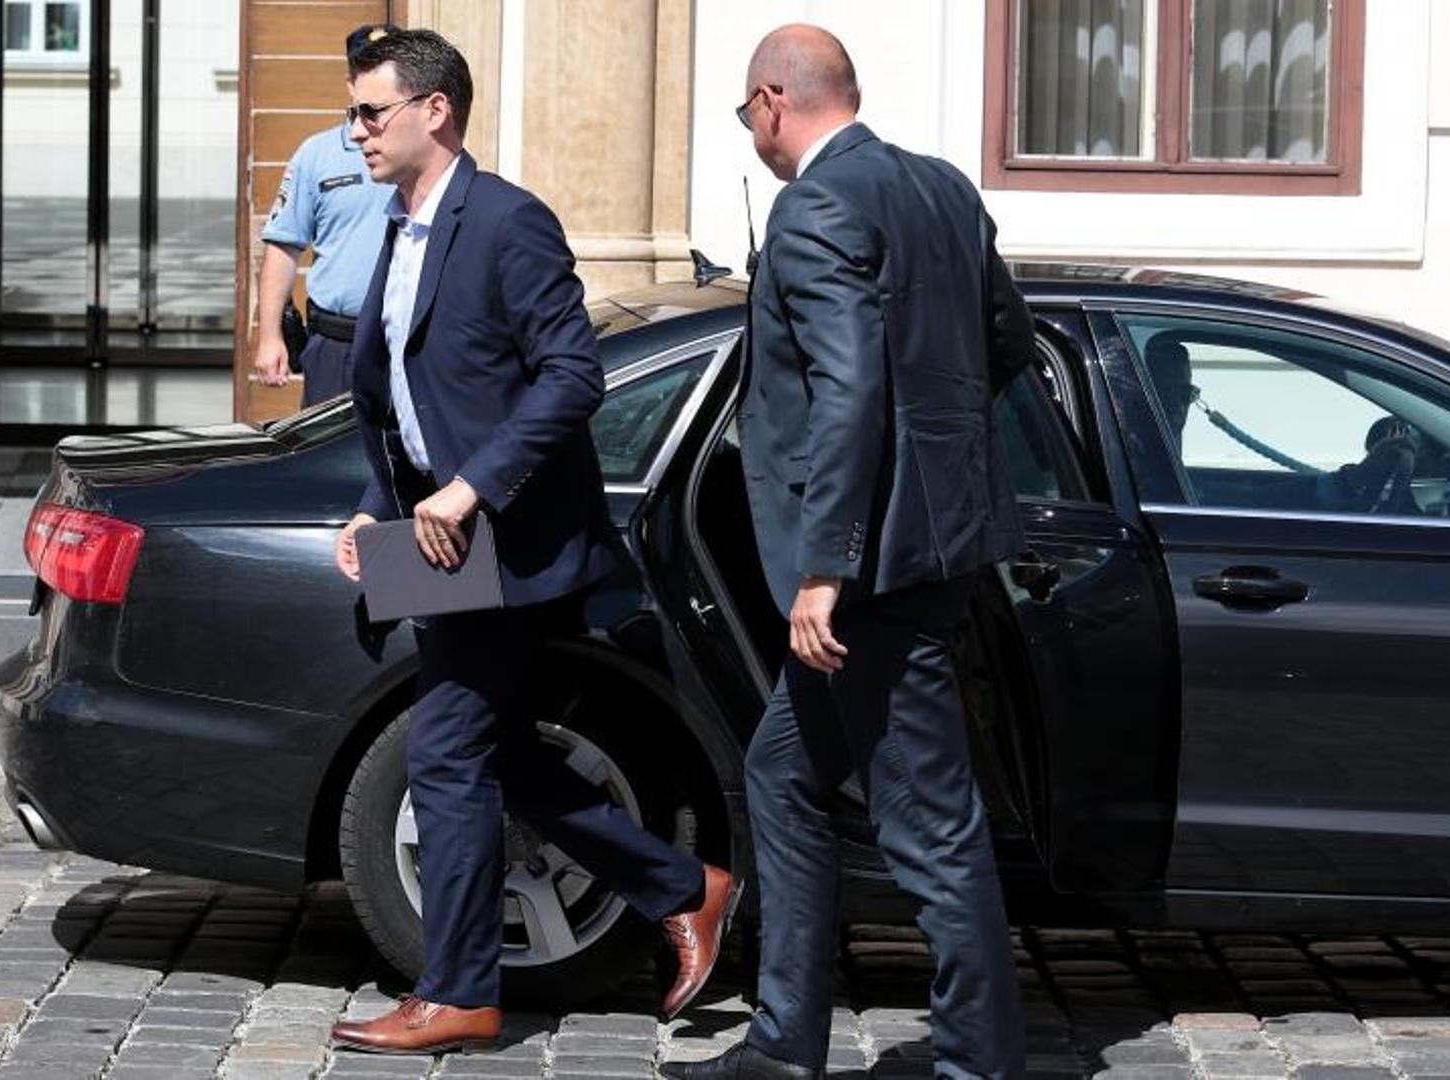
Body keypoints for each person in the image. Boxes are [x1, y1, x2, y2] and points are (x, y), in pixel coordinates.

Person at [326, 29, 734, 1055]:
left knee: (446, 753)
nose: (355, 130)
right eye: (352, 112)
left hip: (504, 545)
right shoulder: (397, 225)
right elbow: (405, 396)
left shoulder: (508, 222)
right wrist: (377, 504)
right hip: (437, 546)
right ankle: (681, 885)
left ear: (434, 111)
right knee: (490, 751)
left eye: (370, 111)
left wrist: (470, 489)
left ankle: (459, 991)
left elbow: (572, 375)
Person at [662, 25, 1033, 1080]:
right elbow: (1006, 342)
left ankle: (981, 1063)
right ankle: (784, 1044)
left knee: (932, 828)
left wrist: (825, 565)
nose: (752, 133)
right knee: (780, 776)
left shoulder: (813, 205)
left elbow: (847, 389)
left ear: (772, 101)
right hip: (931, 547)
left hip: (868, 579)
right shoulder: (941, 188)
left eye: (746, 114)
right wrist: (934, 458)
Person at [252, 24, 399, 406]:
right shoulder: (316, 155)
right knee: (331, 446)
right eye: (368, 70)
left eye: (389, 68)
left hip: (408, 345)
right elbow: (283, 247)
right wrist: (269, 335)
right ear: (351, 84)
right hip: (337, 347)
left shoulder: (421, 150)